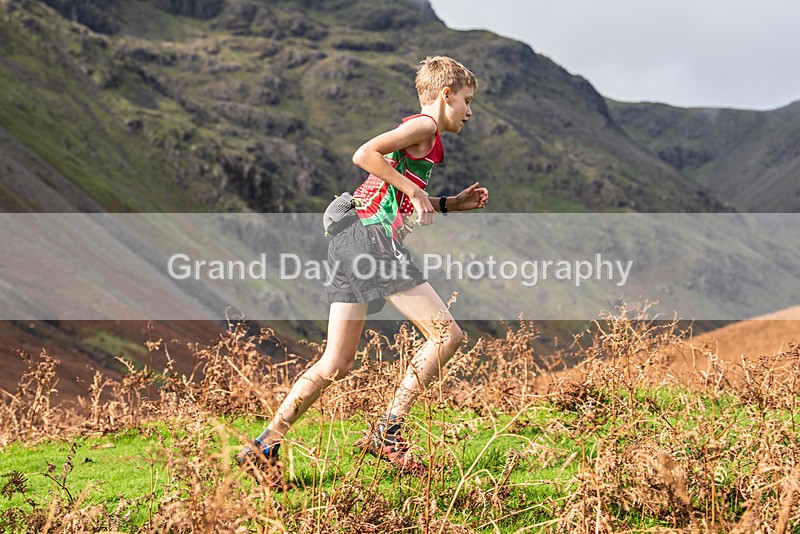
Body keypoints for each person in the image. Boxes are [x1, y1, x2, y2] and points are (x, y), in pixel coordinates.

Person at [237, 56, 488, 485]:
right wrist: (414, 189)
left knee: (336, 362)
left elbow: (394, 194)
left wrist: (449, 204)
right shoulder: (425, 127)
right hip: (370, 240)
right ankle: (388, 433)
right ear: (445, 95)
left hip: (350, 239)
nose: (470, 111)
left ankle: (264, 445)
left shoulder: (429, 140)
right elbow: (364, 154)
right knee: (448, 336)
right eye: (467, 100)